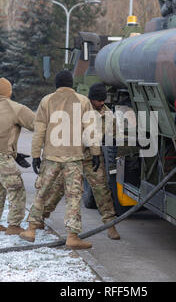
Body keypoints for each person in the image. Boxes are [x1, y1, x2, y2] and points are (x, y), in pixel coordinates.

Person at [20, 71, 101, 250]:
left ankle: (31, 229)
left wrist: (35, 155)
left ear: (56, 84)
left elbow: (38, 131)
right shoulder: (83, 101)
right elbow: (91, 130)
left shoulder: (46, 101)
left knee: (42, 192)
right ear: (71, 84)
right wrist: (95, 152)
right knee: (74, 196)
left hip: (51, 157)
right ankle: (72, 236)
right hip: (74, 158)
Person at [42, 83, 120, 240]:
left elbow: (114, 135)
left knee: (101, 189)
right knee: (58, 188)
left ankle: (110, 225)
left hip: (93, 157)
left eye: (103, 100)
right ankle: (40, 217)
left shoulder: (107, 115)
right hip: (72, 155)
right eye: (98, 100)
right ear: (91, 99)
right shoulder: (77, 110)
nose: (101, 103)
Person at [0, 78, 35, 235]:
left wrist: (14, 154)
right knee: (16, 189)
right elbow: (36, 124)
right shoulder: (15, 107)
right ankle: (14, 225)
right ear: (10, 91)